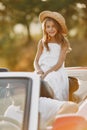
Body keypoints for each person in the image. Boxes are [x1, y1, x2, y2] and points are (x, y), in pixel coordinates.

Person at [34, 10, 71, 101]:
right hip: (42, 71)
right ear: (45, 29)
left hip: (56, 71)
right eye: (48, 27)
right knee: (34, 82)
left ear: (58, 27)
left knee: (51, 80)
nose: (51, 29)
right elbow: (36, 61)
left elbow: (59, 63)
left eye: (53, 26)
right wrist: (38, 70)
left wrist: (47, 73)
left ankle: (54, 104)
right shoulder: (42, 42)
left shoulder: (63, 43)